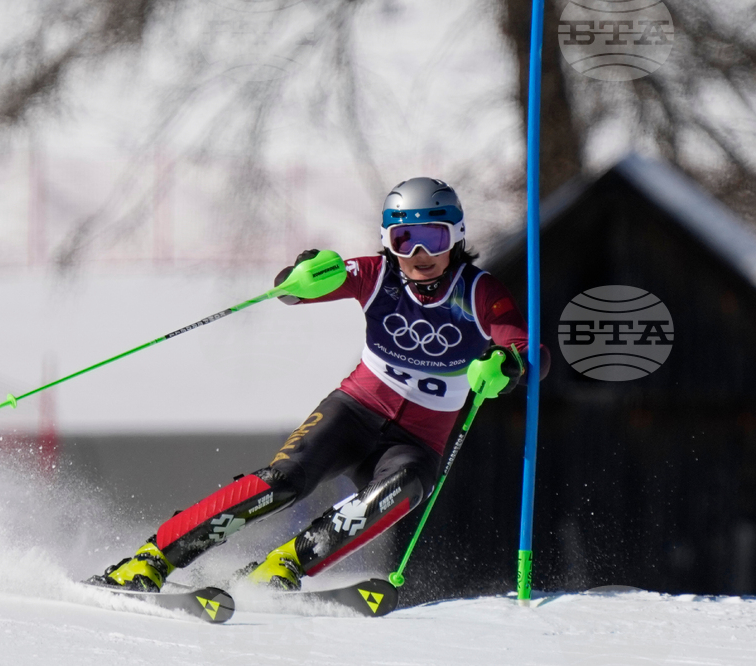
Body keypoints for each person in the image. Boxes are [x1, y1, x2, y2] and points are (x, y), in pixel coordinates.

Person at [90, 177, 550, 592]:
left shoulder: (479, 292)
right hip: (354, 411)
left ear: (457, 236)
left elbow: (529, 351)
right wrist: (302, 277)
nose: (418, 255)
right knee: (285, 480)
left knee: (409, 485)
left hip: (418, 439)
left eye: (433, 237)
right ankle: (151, 559)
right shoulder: (376, 275)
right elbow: (289, 291)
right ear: (387, 242)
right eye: (403, 239)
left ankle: (282, 567)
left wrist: (508, 365)